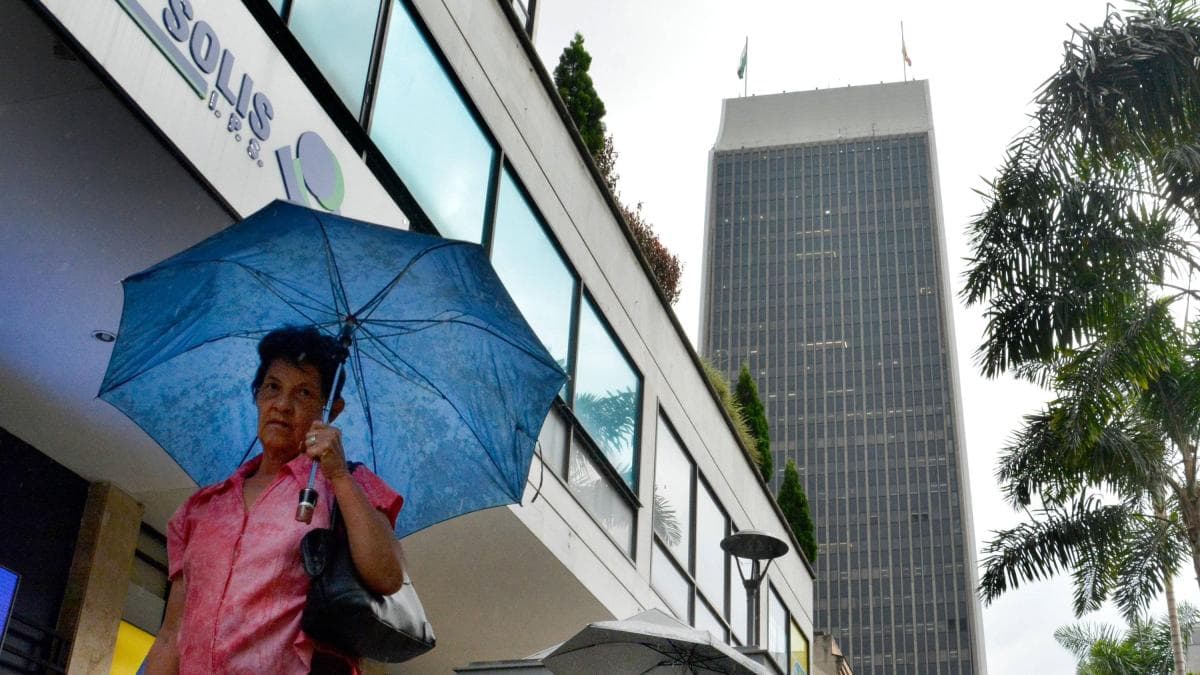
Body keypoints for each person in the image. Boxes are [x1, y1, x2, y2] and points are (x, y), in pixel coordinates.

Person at [143, 326, 405, 674]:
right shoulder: (201, 509)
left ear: (331, 410)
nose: (282, 405)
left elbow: (388, 576)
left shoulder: (347, 486)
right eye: (272, 387)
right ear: (257, 395)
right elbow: (172, 633)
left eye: (303, 392)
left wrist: (339, 475)